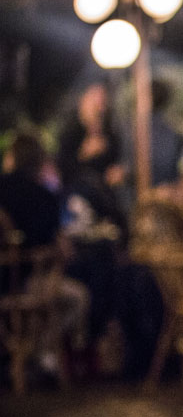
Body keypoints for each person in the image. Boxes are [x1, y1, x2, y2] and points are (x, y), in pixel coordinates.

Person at [0, 132, 89, 382]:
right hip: (28, 282)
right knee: (78, 298)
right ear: (38, 162)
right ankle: (38, 353)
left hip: (4, 281)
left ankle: (21, 355)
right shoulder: (44, 196)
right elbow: (58, 249)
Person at [56, 82, 128, 236]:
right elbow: (62, 169)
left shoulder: (111, 135)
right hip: (77, 205)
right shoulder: (70, 133)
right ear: (83, 100)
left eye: (102, 100)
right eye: (95, 99)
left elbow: (118, 163)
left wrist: (119, 173)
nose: (100, 105)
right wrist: (83, 155)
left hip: (106, 203)